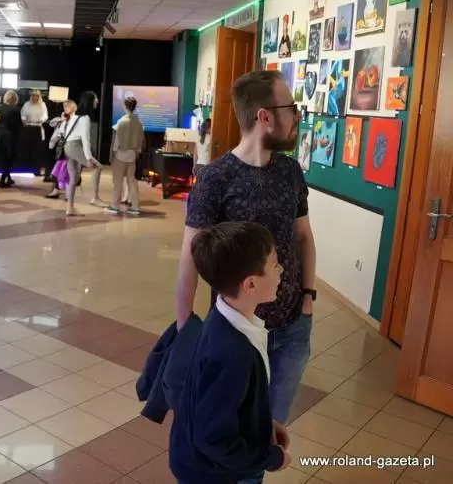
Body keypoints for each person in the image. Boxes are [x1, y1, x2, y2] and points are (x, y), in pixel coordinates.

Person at [175, 70, 316, 484]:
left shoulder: (290, 172)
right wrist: (185, 329)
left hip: (291, 327)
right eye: (291, 107)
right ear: (264, 117)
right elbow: (190, 256)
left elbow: (303, 236)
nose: (296, 116)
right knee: (231, 436)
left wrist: (307, 299)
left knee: (267, 432)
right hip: (237, 333)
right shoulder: (216, 177)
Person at [170, 221, 291, 484]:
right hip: (215, 474)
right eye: (274, 265)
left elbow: (230, 402)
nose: (281, 271)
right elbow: (213, 438)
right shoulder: (232, 352)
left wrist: (261, 423)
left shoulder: (225, 318)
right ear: (250, 284)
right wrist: (271, 458)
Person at [62, 91, 101, 216]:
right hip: (75, 146)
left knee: (73, 178)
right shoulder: (85, 118)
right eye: (95, 98)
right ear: (90, 101)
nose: (97, 101)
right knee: (97, 167)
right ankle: (95, 198)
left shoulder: (75, 115)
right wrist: (88, 157)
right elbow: (85, 139)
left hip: (68, 147)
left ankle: (70, 208)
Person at [106, 96, 144, 216]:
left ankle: (115, 206)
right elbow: (140, 140)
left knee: (117, 182)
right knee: (132, 182)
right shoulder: (138, 122)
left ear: (125, 106)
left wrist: (113, 154)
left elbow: (116, 141)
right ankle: (135, 207)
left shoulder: (122, 122)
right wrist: (137, 152)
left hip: (120, 155)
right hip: (132, 155)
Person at [46, 100, 77, 199]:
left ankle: (68, 194)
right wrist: (62, 120)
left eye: (67, 106)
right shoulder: (61, 119)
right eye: (64, 106)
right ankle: (56, 190)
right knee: (58, 169)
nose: (65, 108)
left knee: (68, 171)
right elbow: (52, 125)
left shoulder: (76, 120)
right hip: (61, 146)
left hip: (71, 147)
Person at [0, 90, 23, 188]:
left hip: (0, 135)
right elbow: (18, 125)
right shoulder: (15, 110)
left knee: (4, 157)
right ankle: (2, 180)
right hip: (10, 136)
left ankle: (8, 178)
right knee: (10, 158)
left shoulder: (0, 108)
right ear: (15, 99)